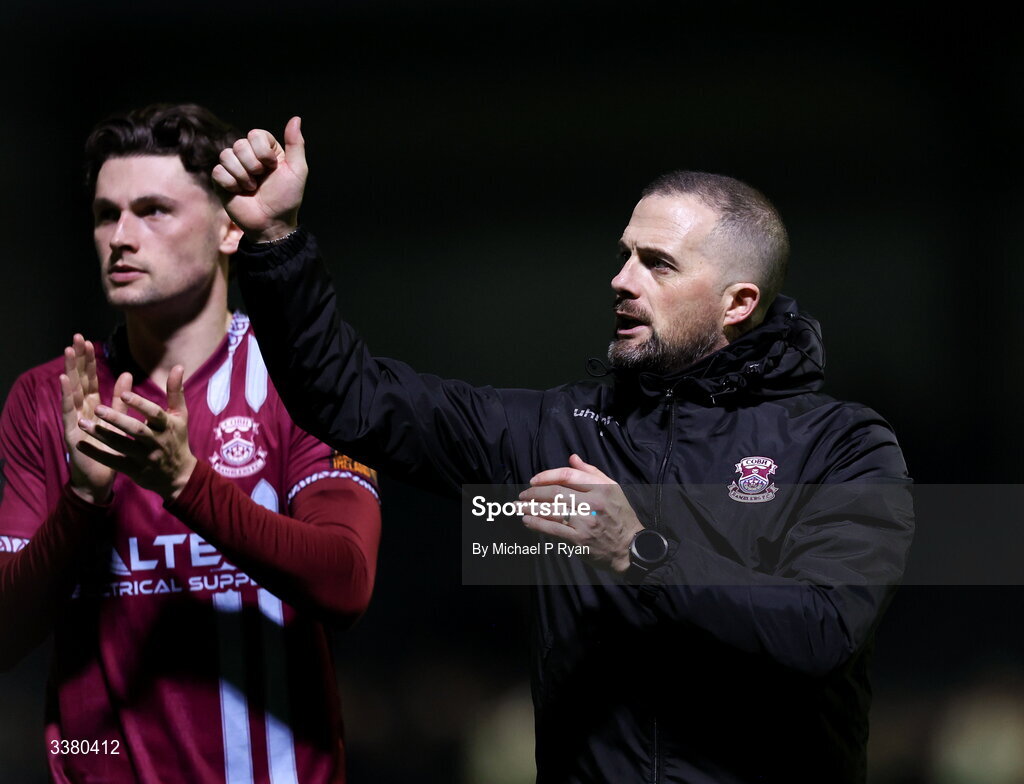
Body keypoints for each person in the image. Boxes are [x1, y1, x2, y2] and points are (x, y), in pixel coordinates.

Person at [216, 118, 913, 784]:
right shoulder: (559, 429)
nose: (622, 279)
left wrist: (641, 551)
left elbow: (823, 630)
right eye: (625, 255)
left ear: (738, 302)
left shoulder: (842, 445)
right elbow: (350, 397)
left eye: (658, 264)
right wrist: (277, 244)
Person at [0, 104, 381, 784]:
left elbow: (347, 581)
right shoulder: (44, 397)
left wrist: (185, 483)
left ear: (230, 228)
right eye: (105, 213)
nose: (121, 237)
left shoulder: (306, 383)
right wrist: (84, 498)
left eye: (153, 211)